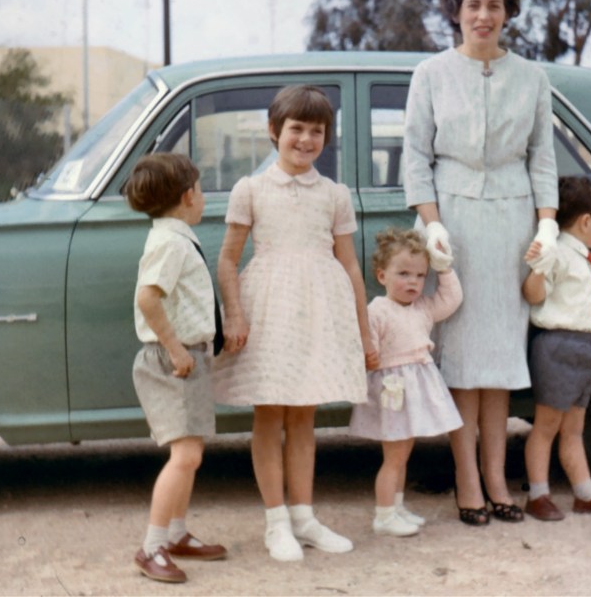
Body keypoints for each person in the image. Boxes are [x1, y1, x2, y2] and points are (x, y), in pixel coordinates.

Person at [402, 0, 559, 525]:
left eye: (494, 6)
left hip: (512, 226)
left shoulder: (532, 78)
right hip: (454, 225)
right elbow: (416, 156)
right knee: (462, 362)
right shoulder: (431, 73)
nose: (484, 16)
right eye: (474, 6)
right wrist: (432, 222)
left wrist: (546, 224)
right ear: (457, 12)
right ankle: (467, 478)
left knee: (499, 362)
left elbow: (542, 157)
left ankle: (497, 477)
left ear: (508, 13)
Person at [212, 85, 378, 562]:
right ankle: (276, 522)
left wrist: (363, 333)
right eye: (296, 129)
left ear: (327, 137)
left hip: (317, 310)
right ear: (273, 132)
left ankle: (304, 517)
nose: (305, 140)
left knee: (304, 414)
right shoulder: (251, 189)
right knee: (270, 413)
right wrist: (235, 315)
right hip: (268, 311)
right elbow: (227, 260)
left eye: (316, 131)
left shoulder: (334, 195)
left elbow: (349, 267)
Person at [123, 152, 228, 584]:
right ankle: (151, 547)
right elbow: (148, 298)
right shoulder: (169, 243)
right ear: (188, 196)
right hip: (173, 359)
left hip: (189, 355)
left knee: (192, 454)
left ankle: (177, 533)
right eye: (200, 190)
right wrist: (177, 349)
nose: (202, 197)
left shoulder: (176, 236)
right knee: (184, 456)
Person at [521, 176, 591, 521]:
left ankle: (584, 494)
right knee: (546, 426)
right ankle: (538, 495)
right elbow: (533, 294)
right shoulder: (558, 255)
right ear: (586, 221)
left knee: (572, 429)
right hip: (558, 345)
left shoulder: (582, 257)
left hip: (584, 347)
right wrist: (538, 267)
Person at [349, 228, 464, 537]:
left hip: (416, 386)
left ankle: (396, 507)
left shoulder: (423, 307)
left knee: (403, 453)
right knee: (394, 456)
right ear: (381, 275)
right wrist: (369, 356)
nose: (413, 282)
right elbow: (367, 350)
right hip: (394, 392)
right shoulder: (377, 310)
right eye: (403, 274)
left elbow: (452, 298)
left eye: (419, 275)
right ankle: (384, 515)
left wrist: (444, 267)